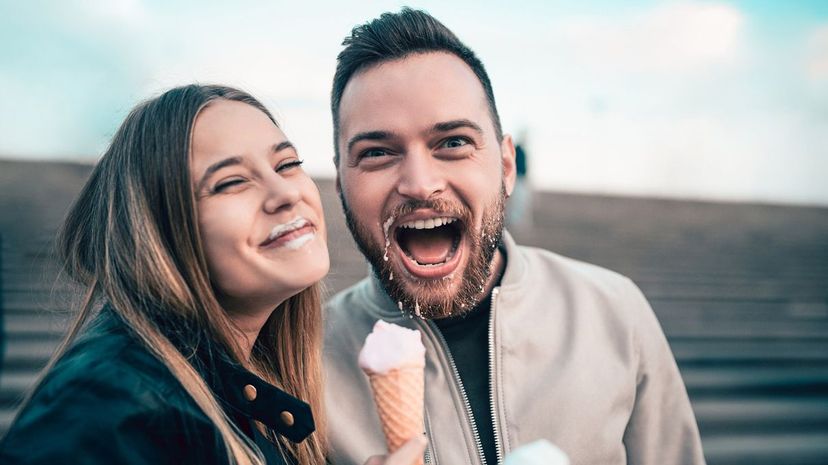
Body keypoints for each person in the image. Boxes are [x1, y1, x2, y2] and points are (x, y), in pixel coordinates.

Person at [323, 8, 705, 465]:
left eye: (453, 142)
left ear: (506, 166)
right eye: (378, 152)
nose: (420, 183)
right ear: (342, 183)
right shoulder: (303, 364)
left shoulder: (615, 311)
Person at [0, 84, 425, 465]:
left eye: (287, 164)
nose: (284, 194)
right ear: (159, 227)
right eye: (231, 182)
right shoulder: (106, 412)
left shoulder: (246, 390)